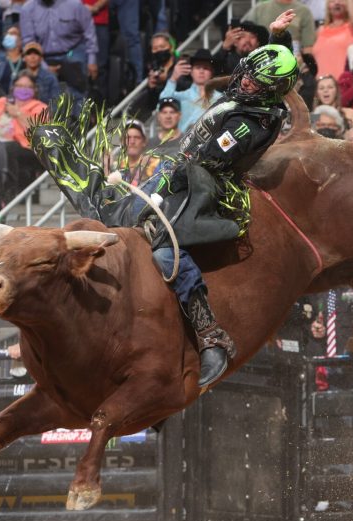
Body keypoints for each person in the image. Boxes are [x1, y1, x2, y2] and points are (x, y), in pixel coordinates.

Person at [133, 43, 300, 386]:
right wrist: (278, 34)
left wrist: (170, 170)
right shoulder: (249, 99)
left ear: (271, 90)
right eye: (248, 74)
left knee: (166, 249)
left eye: (256, 81)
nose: (245, 82)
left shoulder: (251, 123)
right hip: (181, 170)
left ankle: (210, 335)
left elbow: (206, 159)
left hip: (209, 187)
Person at [18, 0, 98, 100]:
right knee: (41, 82)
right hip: (43, 55)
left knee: (77, 87)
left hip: (72, 51)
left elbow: (89, 32)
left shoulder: (75, 5)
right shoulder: (27, 9)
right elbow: (28, 41)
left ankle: (79, 110)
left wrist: (92, 60)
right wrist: (44, 66)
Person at [159, 49, 219, 130]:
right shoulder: (182, 96)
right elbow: (162, 102)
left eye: (205, 68)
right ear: (191, 72)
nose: (201, 71)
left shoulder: (220, 98)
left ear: (212, 72)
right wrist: (173, 78)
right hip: (183, 140)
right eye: (198, 67)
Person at [314, 0, 353, 78]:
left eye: (341, 0)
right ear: (328, 7)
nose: (337, 2)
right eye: (332, 1)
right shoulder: (320, 30)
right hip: (321, 86)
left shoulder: (352, 28)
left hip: (343, 84)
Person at [115, 121, 160, 187]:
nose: (132, 141)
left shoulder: (156, 164)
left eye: (136, 137)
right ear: (122, 141)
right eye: (128, 138)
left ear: (144, 141)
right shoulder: (116, 166)